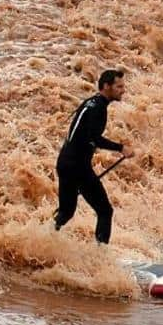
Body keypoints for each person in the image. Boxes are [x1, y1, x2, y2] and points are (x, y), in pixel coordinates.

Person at [54, 68, 131, 245]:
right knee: (105, 211)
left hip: (65, 162)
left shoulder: (90, 103)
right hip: (78, 167)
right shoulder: (99, 109)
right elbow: (93, 138)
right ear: (106, 86)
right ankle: (101, 256)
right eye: (119, 86)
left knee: (66, 213)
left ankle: (44, 239)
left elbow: (84, 136)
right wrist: (120, 148)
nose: (123, 90)